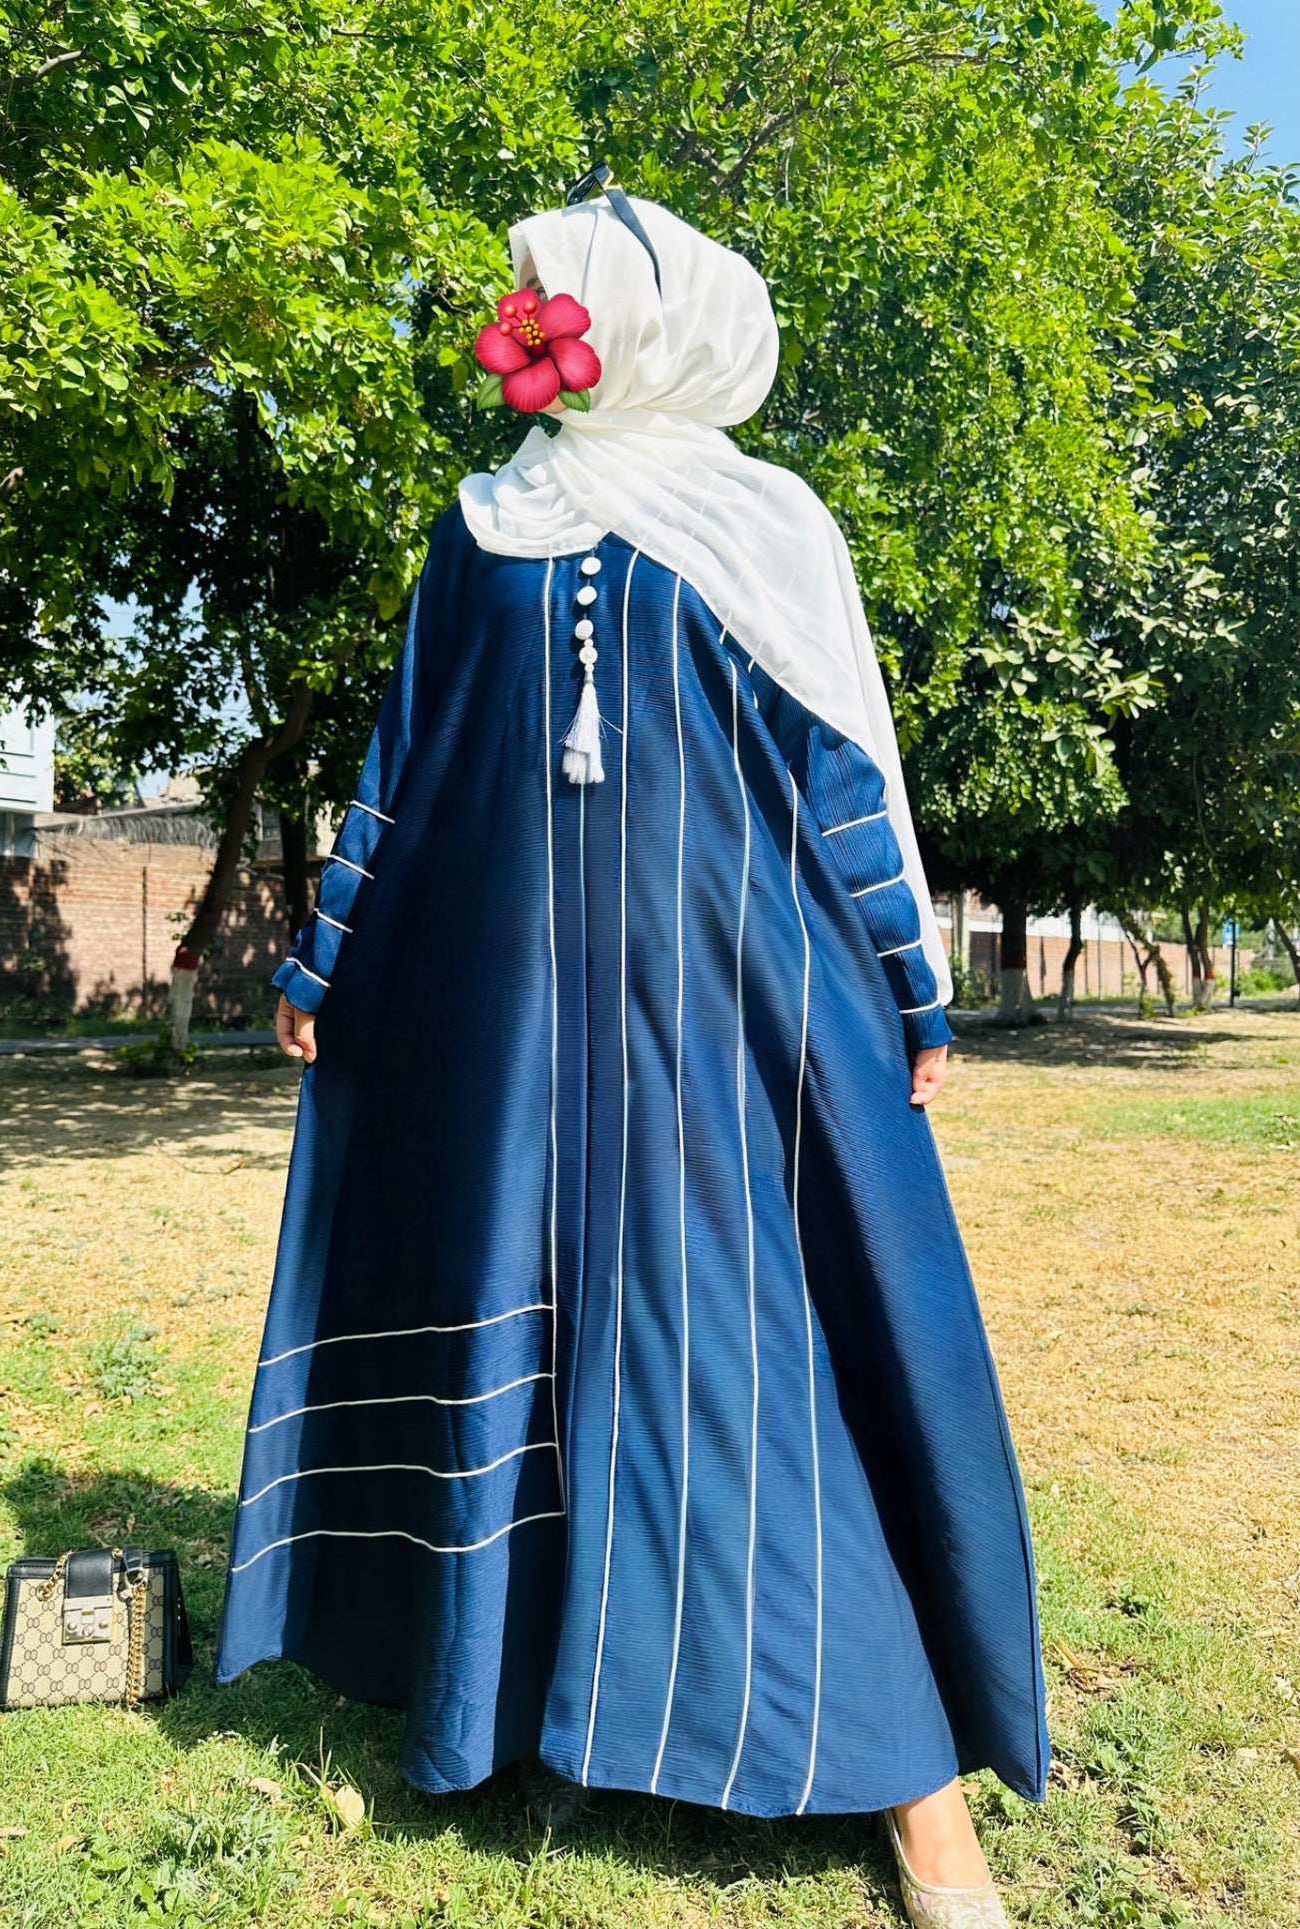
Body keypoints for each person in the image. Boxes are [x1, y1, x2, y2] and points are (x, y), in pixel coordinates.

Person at [216, 183, 1047, 1929]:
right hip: (510, 1029)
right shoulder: (477, 528)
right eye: (523, 303)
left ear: (648, 322)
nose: (525, 325)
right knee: (517, 1330)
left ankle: (914, 1801)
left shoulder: (763, 527)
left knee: (754, 1364)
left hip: (731, 1021)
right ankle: (506, 1703)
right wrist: (325, 950)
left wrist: (909, 988)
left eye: (549, 300)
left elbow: (842, 782)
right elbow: (405, 751)